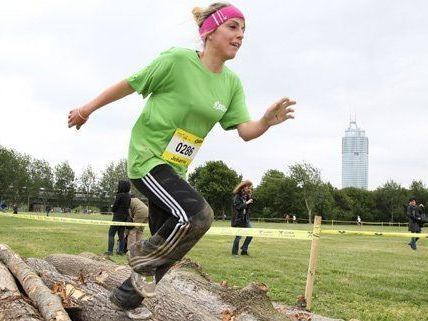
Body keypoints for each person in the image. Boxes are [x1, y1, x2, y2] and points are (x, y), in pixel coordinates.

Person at [68, 2, 295, 311]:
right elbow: (130, 84)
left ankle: (127, 297)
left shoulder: (231, 83)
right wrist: (86, 110)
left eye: (244, 30)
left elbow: (246, 130)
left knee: (173, 241)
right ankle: (138, 258)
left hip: (176, 170)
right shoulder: (176, 61)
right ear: (210, 31)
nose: (240, 35)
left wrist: (266, 122)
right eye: (233, 27)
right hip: (148, 158)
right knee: (199, 216)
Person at [105, 180, 131, 256]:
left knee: (111, 234)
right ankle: (120, 251)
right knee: (121, 235)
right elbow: (128, 207)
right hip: (124, 217)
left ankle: (110, 251)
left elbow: (115, 206)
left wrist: (113, 209)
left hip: (117, 217)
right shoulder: (129, 196)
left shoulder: (119, 195)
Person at [231, 180, 253, 256]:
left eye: (250, 187)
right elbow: (238, 207)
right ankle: (234, 253)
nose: (249, 188)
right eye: (248, 187)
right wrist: (247, 202)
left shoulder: (246, 196)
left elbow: (247, 208)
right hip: (238, 219)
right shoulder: (237, 197)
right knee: (238, 237)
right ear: (243, 187)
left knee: (251, 234)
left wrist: (249, 198)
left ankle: (244, 249)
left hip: (245, 219)